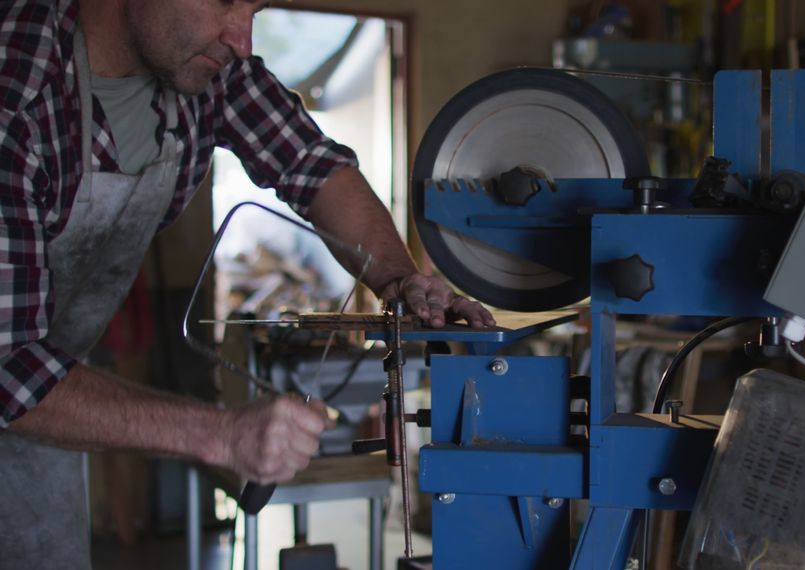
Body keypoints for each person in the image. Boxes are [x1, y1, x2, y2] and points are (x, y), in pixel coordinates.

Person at [0, 0, 496, 567]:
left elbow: (312, 166)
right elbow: (6, 365)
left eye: (255, 9)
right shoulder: (17, 92)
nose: (242, 39)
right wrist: (219, 435)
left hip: (47, 411)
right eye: (225, 3)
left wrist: (400, 277)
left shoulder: (208, 70)